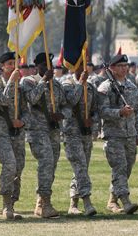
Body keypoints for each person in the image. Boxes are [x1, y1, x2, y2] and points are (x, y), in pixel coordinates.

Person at [22, 52, 71, 218]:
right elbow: (32, 99)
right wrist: (43, 81)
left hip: (54, 130)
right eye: (43, 66)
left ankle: (42, 201)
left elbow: (67, 106)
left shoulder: (57, 86)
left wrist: (62, 115)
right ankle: (44, 202)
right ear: (36, 67)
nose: (47, 69)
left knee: (52, 165)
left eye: (50, 66)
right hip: (37, 129)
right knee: (47, 160)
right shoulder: (29, 81)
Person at [0, 51, 29, 220]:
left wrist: (23, 121)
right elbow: (2, 101)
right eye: (10, 63)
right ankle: (6, 205)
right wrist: (11, 81)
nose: (14, 66)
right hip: (0, 132)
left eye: (15, 63)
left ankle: (12, 204)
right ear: (2, 66)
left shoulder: (22, 86)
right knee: (10, 164)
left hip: (17, 133)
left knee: (18, 168)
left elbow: (27, 110)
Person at [98, 54, 138, 215]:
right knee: (119, 168)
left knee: (126, 170)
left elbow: (136, 112)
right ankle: (125, 200)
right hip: (113, 134)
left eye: (125, 65)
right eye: (120, 65)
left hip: (130, 135)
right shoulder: (105, 87)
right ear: (112, 68)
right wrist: (120, 112)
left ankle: (112, 201)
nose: (124, 67)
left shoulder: (132, 87)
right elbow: (101, 111)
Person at [62, 62, 98, 216]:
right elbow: (70, 101)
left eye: (86, 65)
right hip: (72, 133)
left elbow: (97, 109)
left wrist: (93, 119)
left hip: (86, 133)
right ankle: (87, 201)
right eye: (79, 66)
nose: (84, 69)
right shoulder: (67, 84)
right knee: (80, 166)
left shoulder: (91, 87)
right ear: (72, 68)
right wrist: (81, 83)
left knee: (81, 169)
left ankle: (73, 204)